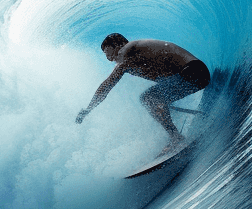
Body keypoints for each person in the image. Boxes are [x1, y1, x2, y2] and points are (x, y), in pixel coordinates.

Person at [76, 33, 210, 152]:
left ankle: (176, 138)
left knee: (148, 98)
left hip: (192, 71)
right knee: (155, 101)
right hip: (198, 73)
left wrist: (88, 109)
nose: (108, 58)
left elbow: (107, 85)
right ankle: (194, 121)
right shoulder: (138, 55)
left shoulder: (126, 50)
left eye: (107, 52)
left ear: (117, 45)